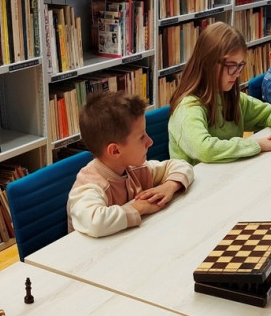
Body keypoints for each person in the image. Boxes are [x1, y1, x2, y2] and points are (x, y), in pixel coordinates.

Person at [68, 91, 193, 238]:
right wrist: (139, 207)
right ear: (115, 151)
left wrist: (169, 186)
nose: (150, 141)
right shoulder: (89, 184)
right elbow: (95, 222)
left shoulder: (134, 168)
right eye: (141, 137)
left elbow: (182, 166)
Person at [168, 21, 271, 164]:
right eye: (231, 66)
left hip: (227, 175)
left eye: (240, 65)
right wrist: (257, 145)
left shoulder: (231, 97)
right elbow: (205, 149)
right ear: (208, 64)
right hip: (198, 184)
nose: (236, 74)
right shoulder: (187, 107)